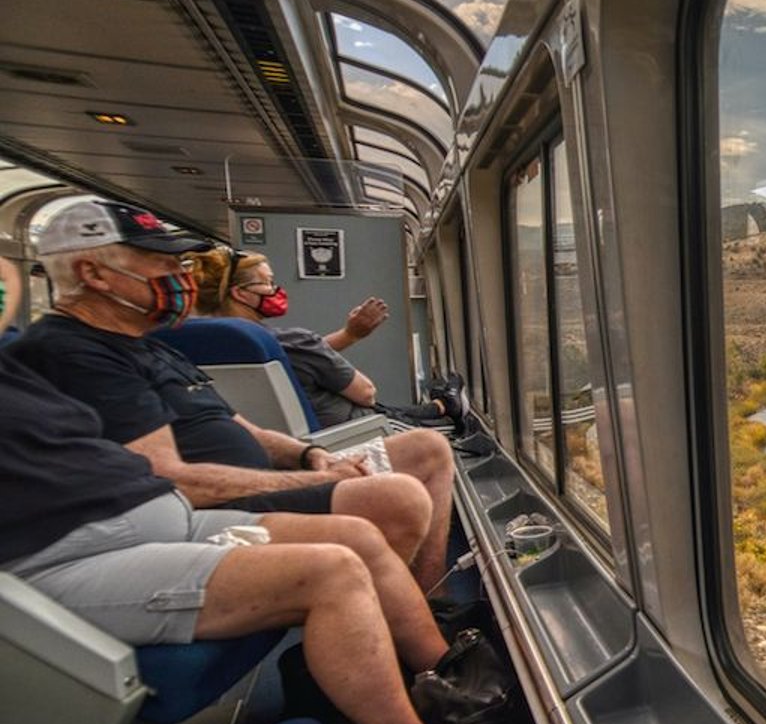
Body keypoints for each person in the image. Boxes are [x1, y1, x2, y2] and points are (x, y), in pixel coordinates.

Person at [0, 357, 542, 724]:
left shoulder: (22, 373)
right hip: (66, 557)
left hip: (163, 520)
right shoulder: (61, 353)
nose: (171, 278)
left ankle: (463, 697)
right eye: (151, 265)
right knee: (331, 572)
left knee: (357, 537)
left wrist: (307, 458)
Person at [7, 200, 453, 593]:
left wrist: (308, 455)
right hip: (225, 496)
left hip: (278, 464)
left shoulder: (155, 341)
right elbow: (166, 475)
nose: (179, 276)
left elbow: (236, 425)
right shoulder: (73, 353)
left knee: (424, 447)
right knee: (409, 478)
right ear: (94, 275)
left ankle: (427, 603)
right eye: (161, 264)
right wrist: (315, 475)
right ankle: (427, 603)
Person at [192, 248, 465, 431]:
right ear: (241, 294)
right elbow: (367, 394)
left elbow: (295, 356)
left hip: (272, 440)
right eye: (268, 283)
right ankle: (446, 408)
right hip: (348, 435)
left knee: (400, 410)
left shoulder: (195, 344)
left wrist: (350, 335)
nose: (275, 290)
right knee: (419, 430)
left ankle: (441, 405)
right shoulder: (291, 341)